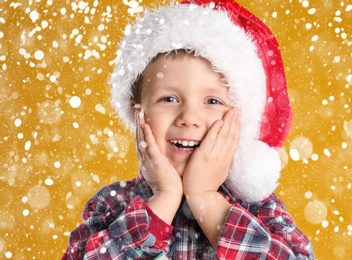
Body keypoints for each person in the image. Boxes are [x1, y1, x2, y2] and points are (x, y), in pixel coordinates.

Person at [62, 0, 314, 259]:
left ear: (238, 120)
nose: (189, 118)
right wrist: (165, 197)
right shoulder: (111, 205)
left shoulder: (259, 208)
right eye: (169, 99)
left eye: (212, 101)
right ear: (138, 112)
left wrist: (204, 197)